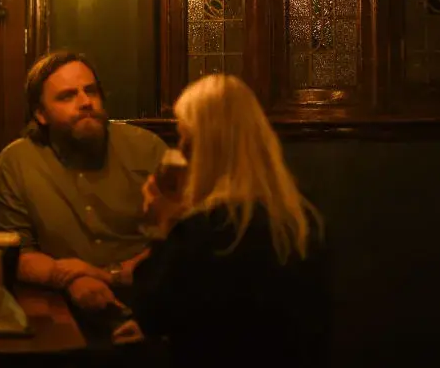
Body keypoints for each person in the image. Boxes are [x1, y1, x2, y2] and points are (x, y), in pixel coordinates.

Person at [113, 75, 331, 368]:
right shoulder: (299, 219)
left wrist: (164, 221)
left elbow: (152, 308)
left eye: (185, 139)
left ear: (206, 147)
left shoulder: (207, 230)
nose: (181, 151)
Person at [0, 51, 168, 311]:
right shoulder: (17, 161)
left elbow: (179, 236)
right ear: (41, 114)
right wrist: (72, 280)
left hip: (150, 298)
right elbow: (19, 254)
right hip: (62, 304)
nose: (85, 102)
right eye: (67, 96)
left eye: (91, 91)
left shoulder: (146, 147)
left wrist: (115, 276)